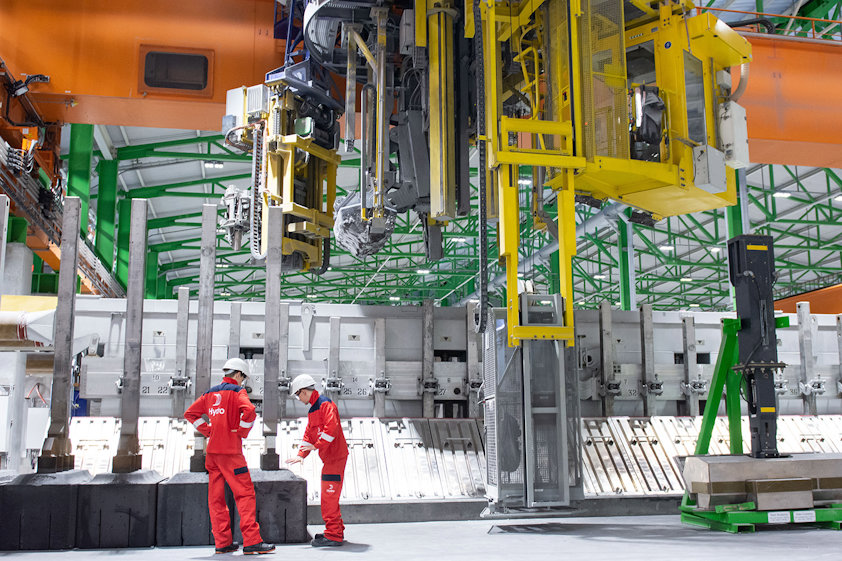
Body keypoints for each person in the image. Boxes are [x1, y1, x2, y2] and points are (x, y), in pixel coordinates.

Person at [184, 358, 275, 555]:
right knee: (244, 495)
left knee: (216, 499)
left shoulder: (210, 393)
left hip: (213, 454)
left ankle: (222, 542)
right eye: (243, 378)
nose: (243, 381)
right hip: (231, 453)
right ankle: (252, 542)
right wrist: (241, 432)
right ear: (238, 374)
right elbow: (250, 411)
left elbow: (190, 413)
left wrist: (208, 430)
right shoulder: (237, 392)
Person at [285, 374, 348, 547]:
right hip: (330, 459)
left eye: (298, 395)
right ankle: (335, 530)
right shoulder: (314, 409)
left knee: (328, 498)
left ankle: (334, 535)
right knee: (329, 497)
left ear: (304, 391)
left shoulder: (325, 404)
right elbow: (309, 435)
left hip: (335, 458)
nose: (298, 399)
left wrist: (317, 446)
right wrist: (301, 455)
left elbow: (331, 429)